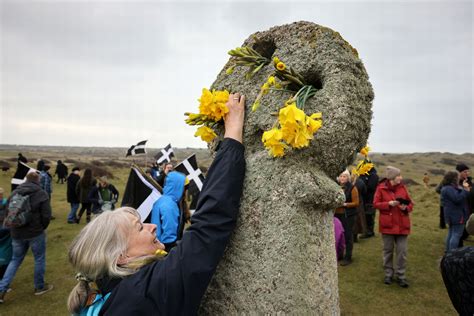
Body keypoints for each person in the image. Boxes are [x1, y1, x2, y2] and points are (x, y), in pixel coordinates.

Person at [67, 92, 245, 315]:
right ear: (120, 256)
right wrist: (233, 135)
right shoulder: (143, 294)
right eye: (140, 227)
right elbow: (207, 229)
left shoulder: (100, 302)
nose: (151, 226)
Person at [0, 172, 53, 303]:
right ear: (38, 180)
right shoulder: (41, 193)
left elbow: (8, 212)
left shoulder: (14, 193)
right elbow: (46, 215)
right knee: (39, 259)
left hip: (16, 233)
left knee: (15, 260)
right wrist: (41, 227)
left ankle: (1, 289)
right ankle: (39, 287)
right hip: (35, 233)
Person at [373, 166, 413, 288]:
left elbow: (410, 203)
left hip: (402, 226)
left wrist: (406, 207)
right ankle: (388, 274)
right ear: (392, 178)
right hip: (387, 226)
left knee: (402, 252)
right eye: (398, 176)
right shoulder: (380, 189)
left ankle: (401, 276)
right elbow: (375, 204)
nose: (401, 177)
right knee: (388, 251)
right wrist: (388, 204)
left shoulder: (403, 188)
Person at [151, 171, 187, 252]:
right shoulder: (169, 205)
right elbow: (169, 236)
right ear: (177, 186)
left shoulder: (162, 200)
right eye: (183, 187)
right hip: (166, 249)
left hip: (157, 245)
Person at [441, 171, 470, 251]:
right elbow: (457, 199)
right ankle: (452, 255)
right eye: (457, 177)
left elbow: (456, 194)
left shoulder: (446, 188)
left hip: (451, 215)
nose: (458, 178)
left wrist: (463, 187)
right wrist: (466, 190)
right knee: (456, 234)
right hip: (457, 215)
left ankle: (448, 253)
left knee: (451, 233)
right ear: (454, 178)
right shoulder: (449, 189)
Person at [334, 169, 359, 266]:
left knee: (348, 236)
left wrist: (345, 204)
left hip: (347, 215)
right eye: (340, 176)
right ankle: (339, 254)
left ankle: (348, 257)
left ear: (348, 178)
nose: (342, 178)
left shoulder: (352, 188)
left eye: (344, 176)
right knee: (337, 235)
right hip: (336, 214)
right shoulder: (336, 187)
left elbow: (356, 203)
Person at [359, 167, 379, 238]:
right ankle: (366, 231)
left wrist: (363, 183)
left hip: (370, 199)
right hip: (365, 199)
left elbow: (371, 187)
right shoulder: (364, 175)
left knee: (369, 215)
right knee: (365, 215)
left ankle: (369, 232)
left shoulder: (373, 175)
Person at [351, 172, 367, 242]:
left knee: (352, 219)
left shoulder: (348, 182)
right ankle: (355, 237)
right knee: (359, 220)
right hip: (359, 202)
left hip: (350, 202)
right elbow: (365, 191)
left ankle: (352, 236)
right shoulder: (360, 182)